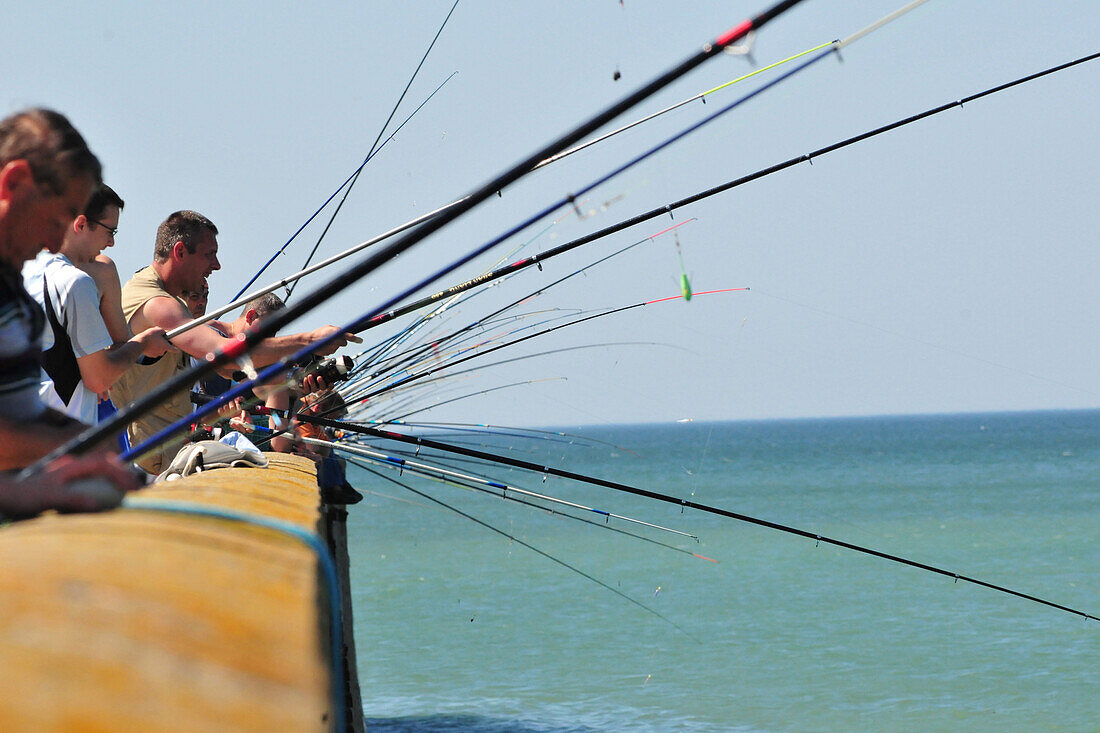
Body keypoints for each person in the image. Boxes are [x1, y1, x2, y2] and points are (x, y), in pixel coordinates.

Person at [111, 210, 354, 473]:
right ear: (180, 252)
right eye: (208, 254)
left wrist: (296, 380)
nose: (216, 265)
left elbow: (229, 369)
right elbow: (226, 355)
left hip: (165, 451)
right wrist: (311, 339)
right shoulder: (158, 305)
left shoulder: (171, 303)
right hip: (142, 459)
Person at [0, 107, 140, 512]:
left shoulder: (16, 297)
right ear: (15, 183)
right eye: (57, 218)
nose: (53, 239)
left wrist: (103, 453)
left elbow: (22, 417)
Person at [22, 184, 173, 424]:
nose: (111, 243)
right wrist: (142, 343)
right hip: (58, 443)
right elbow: (99, 379)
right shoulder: (75, 282)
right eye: (110, 231)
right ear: (81, 224)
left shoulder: (17, 270)